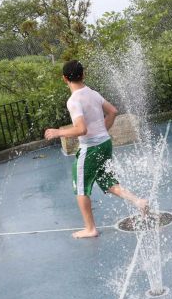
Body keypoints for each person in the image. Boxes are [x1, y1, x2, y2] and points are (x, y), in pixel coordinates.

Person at [44, 60, 149, 238]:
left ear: (64, 79)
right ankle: (139, 202)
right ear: (83, 74)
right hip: (105, 143)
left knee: (80, 188)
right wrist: (102, 131)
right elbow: (113, 111)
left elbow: (81, 129)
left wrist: (58, 132)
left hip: (91, 148)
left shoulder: (74, 100)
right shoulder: (92, 93)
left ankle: (90, 228)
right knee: (107, 182)